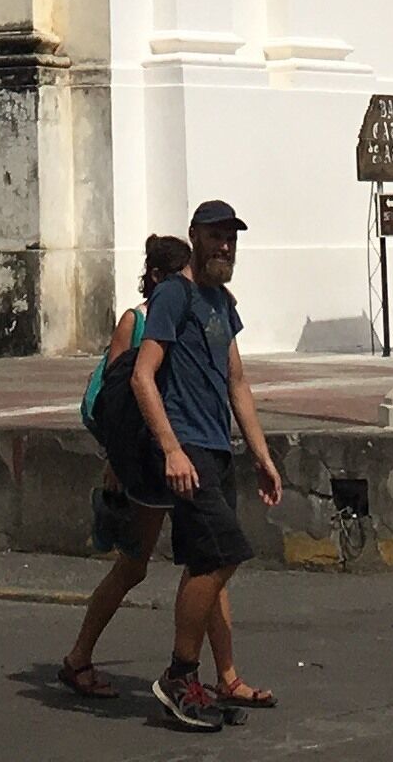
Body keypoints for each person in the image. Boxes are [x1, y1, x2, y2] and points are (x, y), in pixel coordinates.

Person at [130, 199, 284, 733]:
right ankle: (179, 675)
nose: (225, 246)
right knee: (224, 555)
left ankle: (225, 678)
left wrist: (262, 454)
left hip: (217, 450)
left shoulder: (222, 302)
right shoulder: (176, 294)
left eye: (232, 239)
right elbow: (142, 375)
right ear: (195, 236)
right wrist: (171, 449)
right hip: (187, 448)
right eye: (217, 236)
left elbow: (236, 381)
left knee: (208, 566)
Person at [60, 234, 194, 700]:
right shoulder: (135, 322)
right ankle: (78, 657)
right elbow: (116, 399)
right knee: (132, 568)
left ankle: (227, 673)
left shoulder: (184, 317)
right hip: (143, 463)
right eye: (179, 278)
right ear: (158, 278)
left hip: (179, 455)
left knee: (209, 561)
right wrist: (115, 462)